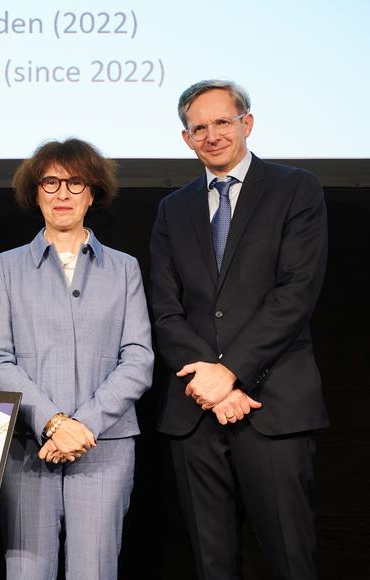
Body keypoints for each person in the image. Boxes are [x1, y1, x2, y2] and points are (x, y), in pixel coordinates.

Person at [150, 80, 329, 580]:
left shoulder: (297, 188)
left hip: (273, 404)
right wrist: (211, 383)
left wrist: (229, 372)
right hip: (195, 410)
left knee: (291, 558)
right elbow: (165, 307)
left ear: (247, 124)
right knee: (211, 565)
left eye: (222, 122)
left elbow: (296, 293)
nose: (212, 135)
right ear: (186, 138)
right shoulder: (173, 208)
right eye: (198, 127)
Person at [0, 139, 154, 579]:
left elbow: (137, 359)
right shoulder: (6, 266)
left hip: (105, 448)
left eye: (75, 183)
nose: (62, 194)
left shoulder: (124, 268)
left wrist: (84, 425)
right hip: (27, 447)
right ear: (35, 192)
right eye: (51, 182)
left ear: (92, 193)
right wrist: (54, 424)